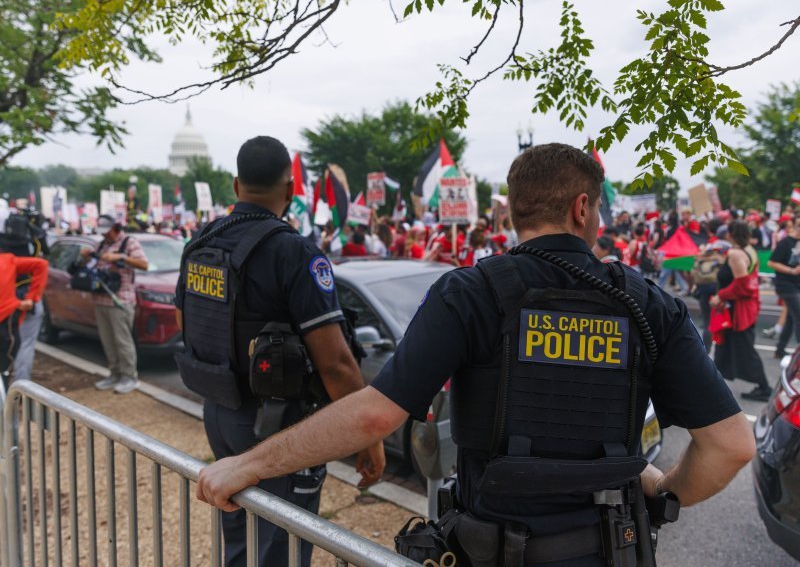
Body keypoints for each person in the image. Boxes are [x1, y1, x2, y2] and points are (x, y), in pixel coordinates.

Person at [197, 143, 754, 566]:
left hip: (493, 548)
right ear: (584, 208)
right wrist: (662, 492)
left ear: (514, 211)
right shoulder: (648, 304)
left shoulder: (472, 292)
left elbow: (375, 413)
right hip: (611, 549)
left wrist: (245, 464)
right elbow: (730, 445)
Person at [175, 136, 384, 567]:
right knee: (280, 548)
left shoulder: (201, 242)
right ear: (290, 190)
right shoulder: (294, 252)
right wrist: (369, 434)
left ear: (236, 186)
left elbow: (187, 325)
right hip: (280, 429)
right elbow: (338, 363)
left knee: (238, 530)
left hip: (220, 409)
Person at [81, 216, 149, 394]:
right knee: (108, 340)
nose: (106, 235)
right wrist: (86, 256)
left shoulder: (129, 242)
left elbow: (144, 264)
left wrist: (120, 257)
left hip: (121, 299)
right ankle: (115, 373)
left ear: (116, 228)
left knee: (122, 341)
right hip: (101, 298)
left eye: (108, 231)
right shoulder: (101, 244)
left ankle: (129, 377)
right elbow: (91, 265)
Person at [710, 220, 771, 401]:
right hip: (742, 308)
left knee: (744, 349)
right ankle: (713, 385)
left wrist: (720, 295)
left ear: (729, 234)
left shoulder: (736, 254)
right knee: (724, 347)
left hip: (737, 310)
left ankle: (764, 387)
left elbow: (742, 286)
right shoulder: (750, 250)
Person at [0, 209, 50, 381]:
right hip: (22, 298)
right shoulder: (33, 237)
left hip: (11, 299)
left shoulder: (6, 251)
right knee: (24, 345)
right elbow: (44, 258)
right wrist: (33, 296)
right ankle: (21, 388)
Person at [768, 215, 800, 359]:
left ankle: (780, 350)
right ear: (793, 225)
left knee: (792, 318)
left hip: (797, 284)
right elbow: (772, 263)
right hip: (785, 284)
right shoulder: (785, 242)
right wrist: (791, 270)